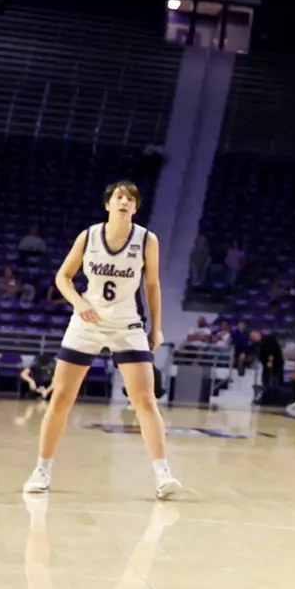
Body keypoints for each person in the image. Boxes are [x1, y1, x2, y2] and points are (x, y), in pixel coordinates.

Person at [22, 180, 180, 499]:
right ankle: (41, 470)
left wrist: (157, 327)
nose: (124, 202)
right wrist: (78, 302)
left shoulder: (147, 240)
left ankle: (163, 475)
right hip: (87, 322)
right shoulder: (89, 236)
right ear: (107, 204)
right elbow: (62, 277)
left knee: (145, 400)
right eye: (119, 197)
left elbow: (152, 286)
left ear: (136, 208)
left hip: (127, 324)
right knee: (62, 398)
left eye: (131, 199)